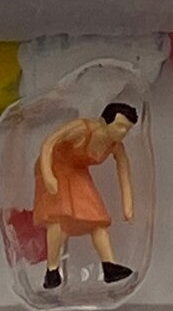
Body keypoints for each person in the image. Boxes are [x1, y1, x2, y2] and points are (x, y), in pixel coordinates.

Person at [33, 102, 139, 290]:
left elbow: (124, 171)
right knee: (57, 217)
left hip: (77, 171)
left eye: (127, 129)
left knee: (97, 220)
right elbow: (49, 142)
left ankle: (109, 266)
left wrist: (128, 205)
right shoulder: (83, 129)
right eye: (120, 126)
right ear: (105, 122)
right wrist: (48, 176)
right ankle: (52, 270)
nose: (123, 132)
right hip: (54, 166)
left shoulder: (115, 146)